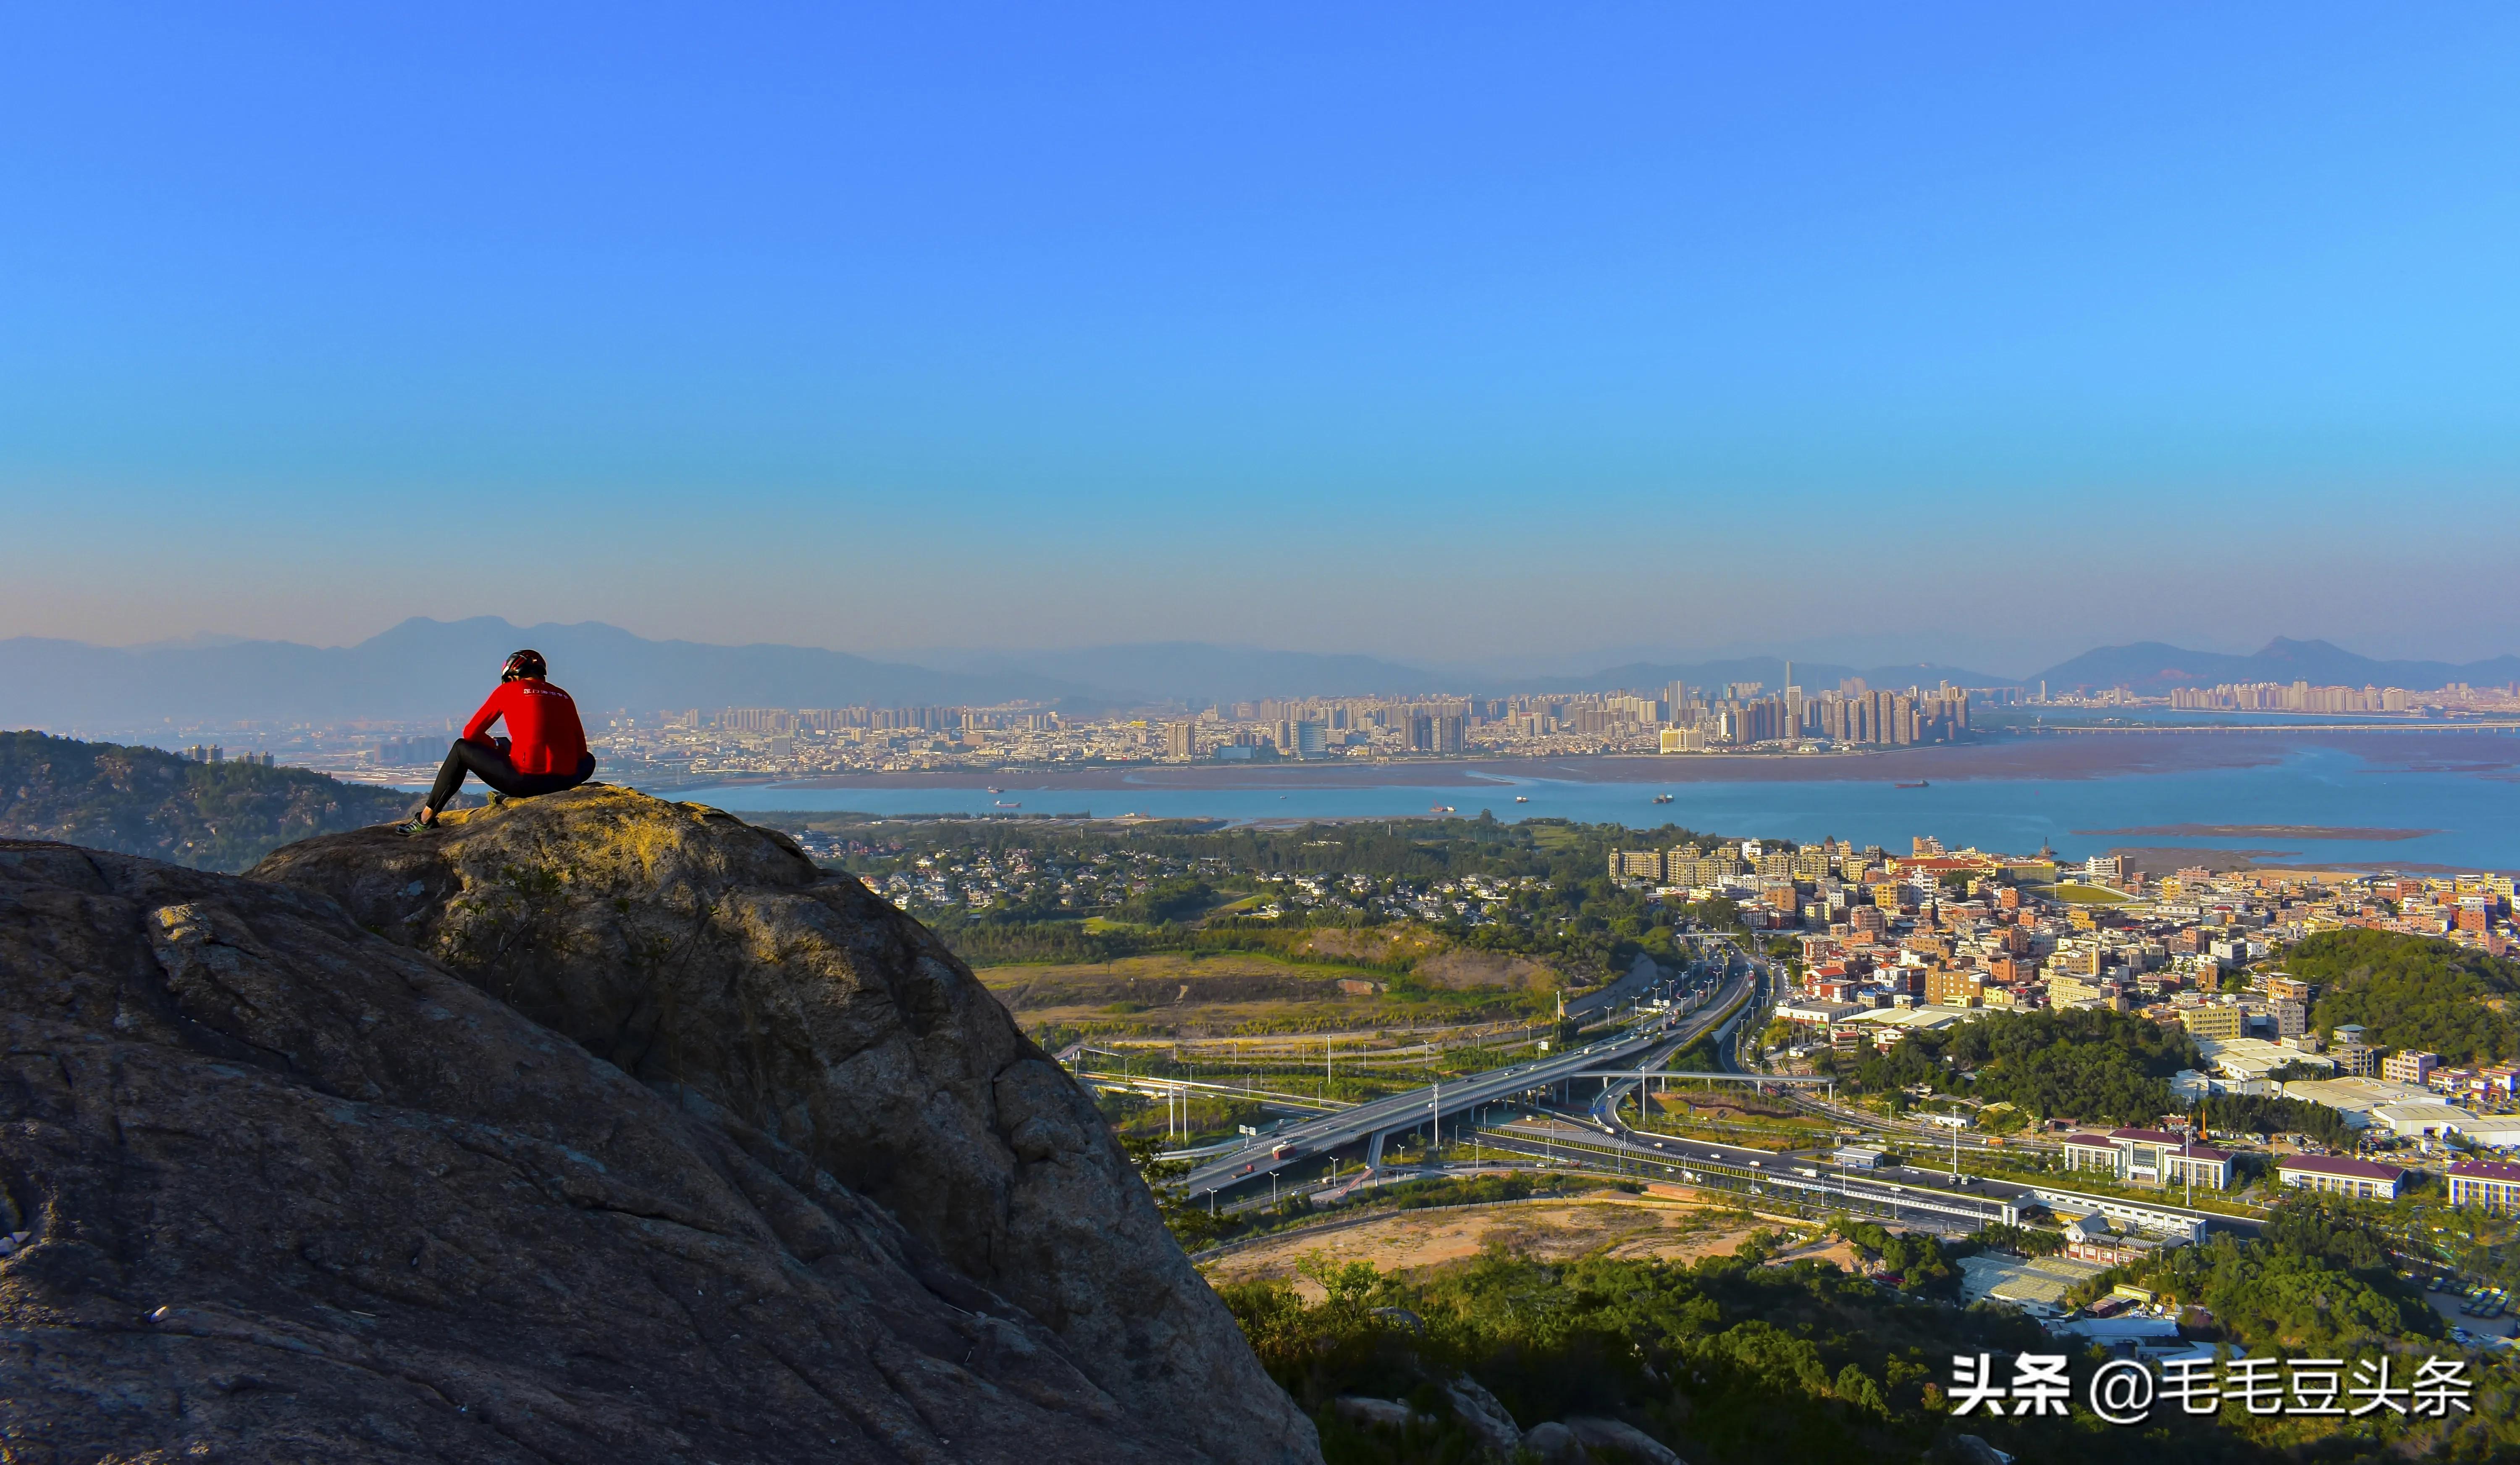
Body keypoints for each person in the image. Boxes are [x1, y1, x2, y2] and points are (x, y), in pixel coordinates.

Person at [398, 650, 596, 833]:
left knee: (461, 748)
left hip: (525, 783)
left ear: (512, 676)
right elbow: (582, 752)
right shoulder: (564, 696)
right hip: (564, 782)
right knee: (590, 760)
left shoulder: (508, 690)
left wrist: (497, 746)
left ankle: (425, 820)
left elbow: (471, 733)